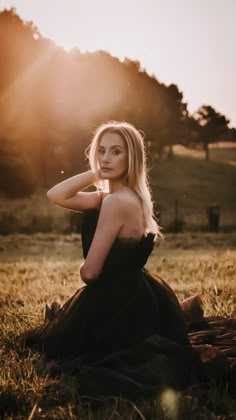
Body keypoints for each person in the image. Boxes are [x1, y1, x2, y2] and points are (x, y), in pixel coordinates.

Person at [17, 121, 236, 399]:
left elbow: (91, 274)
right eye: (102, 151)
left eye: (116, 152)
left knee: (63, 349)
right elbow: (56, 195)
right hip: (141, 297)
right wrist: (96, 172)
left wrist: (84, 267)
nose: (107, 158)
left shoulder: (114, 203)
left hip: (118, 306)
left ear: (131, 157)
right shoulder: (123, 197)